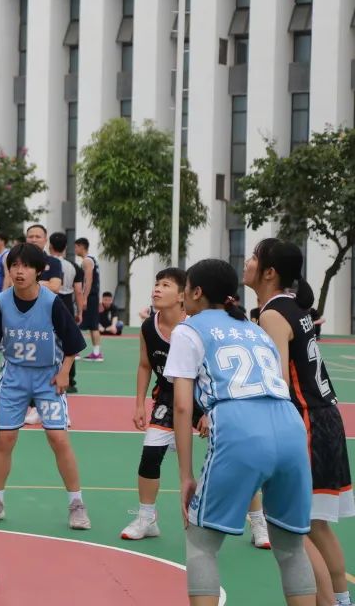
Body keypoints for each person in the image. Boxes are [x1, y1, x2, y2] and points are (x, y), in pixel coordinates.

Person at [165, 259, 315, 606]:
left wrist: (186, 475)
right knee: (291, 549)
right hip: (290, 426)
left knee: (201, 544)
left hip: (240, 427)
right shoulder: (254, 329)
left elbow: (183, 407)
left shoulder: (188, 329)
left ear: (196, 292)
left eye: (185, 288)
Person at [246, 239, 353, 606]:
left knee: (295, 527)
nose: (246, 262)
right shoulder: (293, 306)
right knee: (316, 526)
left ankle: (328, 602)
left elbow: (276, 381)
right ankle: (341, 600)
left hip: (305, 421)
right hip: (325, 418)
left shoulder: (273, 315)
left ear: (269, 272)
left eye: (253, 257)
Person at [0, 243, 91, 530]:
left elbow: (74, 344)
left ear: (39, 271)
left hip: (47, 378)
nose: (19, 271)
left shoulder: (52, 302)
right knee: (4, 439)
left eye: (26, 266)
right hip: (14, 377)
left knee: (58, 439)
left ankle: (77, 504)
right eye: (15, 265)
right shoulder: (2, 301)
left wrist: (64, 373)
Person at [120, 267, 208, 541]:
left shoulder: (197, 326)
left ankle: (257, 520)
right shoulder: (149, 327)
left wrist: (210, 410)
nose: (157, 288)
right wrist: (139, 404)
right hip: (168, 398)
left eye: (166, 285)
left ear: (182, 295)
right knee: (149, 456)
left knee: (233, 453)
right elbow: (145, 365)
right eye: (157, 283)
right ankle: (147, 519)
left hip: (203, 396)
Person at [49, 232, 83, 392]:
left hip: (51, 300)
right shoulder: (73, 266)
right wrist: (80, 311)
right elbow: (78, 291)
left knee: (49, 339)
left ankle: (49, 376)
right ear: (66, 247)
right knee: (69, 340)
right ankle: (71, 379)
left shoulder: (46, 263)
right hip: (67, 301)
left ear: (49, 246)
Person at [75, 237, 103, 361]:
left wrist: (84, 298)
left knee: (80, 323)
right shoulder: (93, 259)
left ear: (81, 247)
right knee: (93, 325)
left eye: (76, 247)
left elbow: (88, 280)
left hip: (90, 296)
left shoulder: (87, 261)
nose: (75, 250)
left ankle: (76, 351)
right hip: (93, 296)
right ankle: (96, 353)